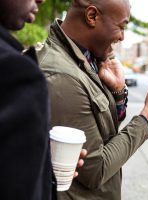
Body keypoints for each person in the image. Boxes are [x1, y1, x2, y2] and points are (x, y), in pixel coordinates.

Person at [36, 0, 148, 199]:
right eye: (121, 26)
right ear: (92, 16)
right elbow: (95, 171)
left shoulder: (85, 58)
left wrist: (117, 93)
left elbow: (103, 130)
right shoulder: (63, 77)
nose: (122, 37)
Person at [0, 0, 87, 199]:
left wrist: (36, 150)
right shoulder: (17, 72)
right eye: (120, 26)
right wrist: (146, 117)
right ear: (91, 17)